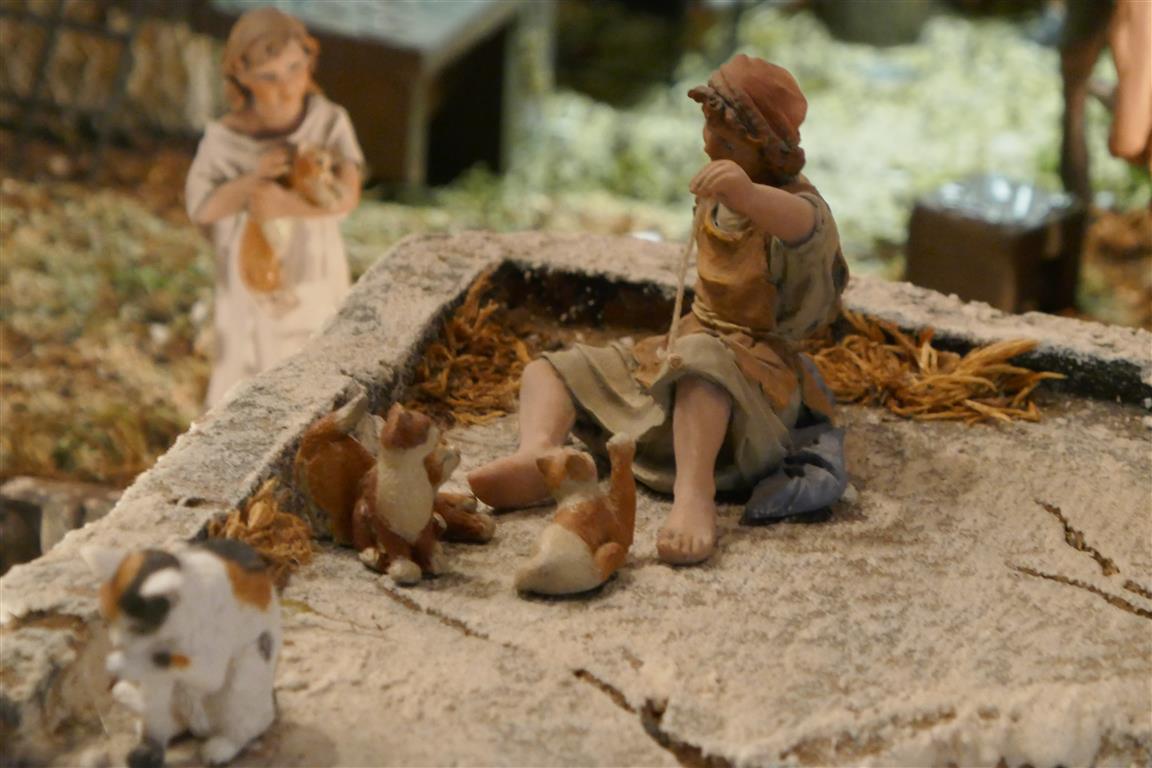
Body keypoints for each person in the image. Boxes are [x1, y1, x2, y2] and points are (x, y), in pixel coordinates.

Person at [468, 55, 848, 566]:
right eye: (709, 131)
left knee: (700, 366)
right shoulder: (719, 196)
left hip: (755, 369)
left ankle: (695, 494)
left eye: (727, 141)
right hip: (689, 339)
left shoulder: (791, 206)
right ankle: (539, 454)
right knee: (552, 368)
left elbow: (804, 226)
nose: (710, 145)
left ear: (767, 148)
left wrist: (748, 194)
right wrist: (733, 190)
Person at [186, 7, 363, 407]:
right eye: (269, 76)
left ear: (309, 60)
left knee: (314, 352)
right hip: (252, 272)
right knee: (250, 367)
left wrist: (289, 204)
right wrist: (251, 182)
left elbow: (348, 196)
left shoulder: (329, 122)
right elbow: (202, 207)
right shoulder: (224, 140)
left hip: (314, 265)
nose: (287, 85)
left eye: (295, 68)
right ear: (242, 76)